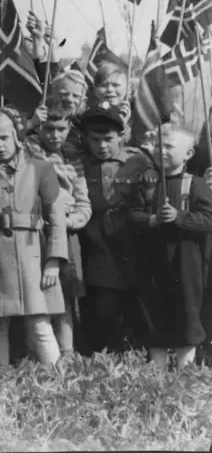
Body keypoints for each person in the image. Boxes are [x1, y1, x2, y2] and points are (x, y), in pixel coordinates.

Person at [0, 108, 67, 366]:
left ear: (18, 137)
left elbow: (57, 217)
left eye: (4, 138)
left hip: (32, 254)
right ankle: (0, 381)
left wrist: (54, 259)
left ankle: (60, 377)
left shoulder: (41, 169)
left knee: (38, 320)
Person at [126, 126, 212, 367]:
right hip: (152, 263)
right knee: (153, 311)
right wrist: (151, 219)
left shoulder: (195, 184)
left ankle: (186, 370)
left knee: (186, 312)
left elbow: (208, 219)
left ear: (188, 153)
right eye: (157, 146)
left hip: (186, 262)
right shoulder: (146, 185)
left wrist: (180, 217)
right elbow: (131, 216)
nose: (160, 151)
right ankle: (158, 370)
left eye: (169, 146)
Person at [24, 99, 91, 357]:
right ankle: (38, 353)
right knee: (38, 292)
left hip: (65, 231)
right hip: (35, 229)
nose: (54, 135)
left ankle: (67, 353)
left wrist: (70, 219)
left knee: (65, 295)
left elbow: (84, 201)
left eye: (61, 129)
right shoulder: (27, 149)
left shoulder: (73, 157)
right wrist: (28, 124)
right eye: (48, 129)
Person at [73, 106, 141, 354]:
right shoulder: (80, 163)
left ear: (121, 137)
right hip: (97, 244)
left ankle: (134, 348)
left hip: (130, 243)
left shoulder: (137, 161)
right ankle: (104, 352)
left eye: (108, 139)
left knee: (135, 301)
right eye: (95, 139)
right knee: (103, 305)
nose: (102, 146)